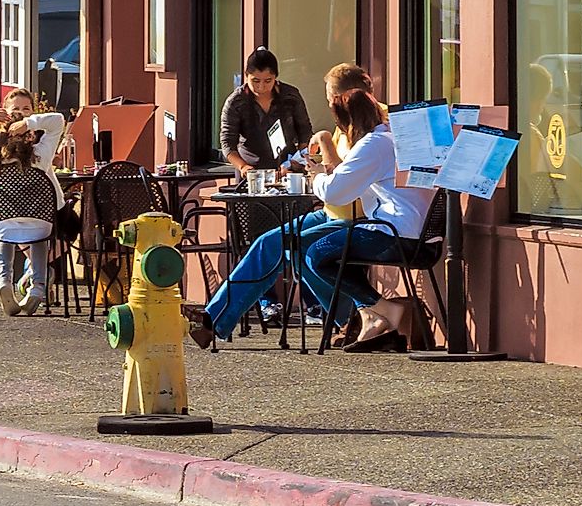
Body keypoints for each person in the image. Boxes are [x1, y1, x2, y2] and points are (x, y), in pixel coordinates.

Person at [187, 86, 437, 350]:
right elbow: (349, 175)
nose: (327, 102)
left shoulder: (372, 139)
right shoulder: (381, 133)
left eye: (330, 96)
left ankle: (356, 315)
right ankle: (215, 319)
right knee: (270, 243)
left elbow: (338, 189)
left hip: (366, 220)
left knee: (306, 251)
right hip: (355, 216)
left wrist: (320, 167)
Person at [0, 123, 59, 314]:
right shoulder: (40, 159)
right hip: (39, 225)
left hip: (3, 225)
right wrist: (29, 122)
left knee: (3, 234)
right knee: (39, 238)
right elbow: (57, 122)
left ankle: (3, 280)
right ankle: (38, 286)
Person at [219, 47, 316, 176]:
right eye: (255, 81)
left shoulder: (290, 96)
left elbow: (305, 132)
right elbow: (227, 142)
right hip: (251, 171)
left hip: (288, 168)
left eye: (268, 81)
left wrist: (300, 159)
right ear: (246, 76)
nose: (261, 87)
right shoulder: (235, 102)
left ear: (275, 77)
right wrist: (242, 167)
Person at [0, 86, 71, 209]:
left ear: (32, 113)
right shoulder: (40, 154)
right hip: (44, 221)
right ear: (4, 113)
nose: (21, 113)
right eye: (15, 109)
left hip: (3, 223)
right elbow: (57, 121)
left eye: (26, 109)